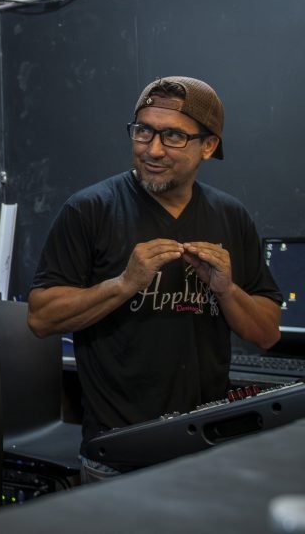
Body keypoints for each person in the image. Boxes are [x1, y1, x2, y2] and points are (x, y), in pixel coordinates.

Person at [27, 76, 282, 481]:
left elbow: (267, 333)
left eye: (173, 136)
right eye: (143, 130)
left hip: (207, 449)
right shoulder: (90, 210)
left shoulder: (230, 216)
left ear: (209, 146)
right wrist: (123, 283)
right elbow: (41, 318)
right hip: (117, 453)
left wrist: (227, 290)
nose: (153, 149)